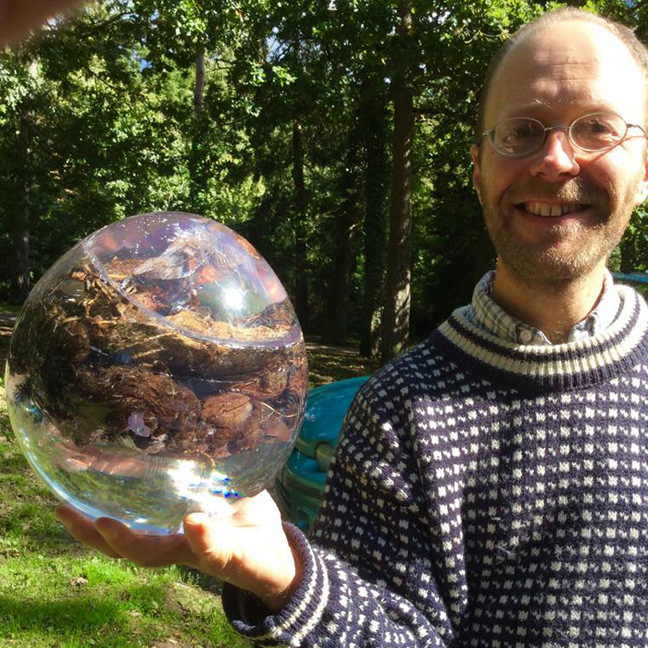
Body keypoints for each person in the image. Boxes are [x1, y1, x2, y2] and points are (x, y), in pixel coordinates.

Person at [56, 7, 648, 647]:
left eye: (597, 129)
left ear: (644, 168)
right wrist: (290, 582)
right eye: (521, 131)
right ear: (478, 167)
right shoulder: (397, 413)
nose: (556, 160)